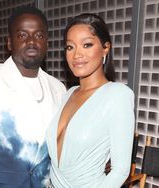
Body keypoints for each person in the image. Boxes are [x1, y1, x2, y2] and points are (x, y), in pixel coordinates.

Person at [0, 6, 66, 188]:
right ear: (9, 43)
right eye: (22, 35)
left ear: (47, 42)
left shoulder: (58, 88)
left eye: (39, 35)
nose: (31, 42)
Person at [46, 13, 135, 187]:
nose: (77, 54)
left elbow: (120, 171)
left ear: (105, 48)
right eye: (70, 47)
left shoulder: (118, 95)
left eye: (87, 45)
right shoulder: (67, 94)